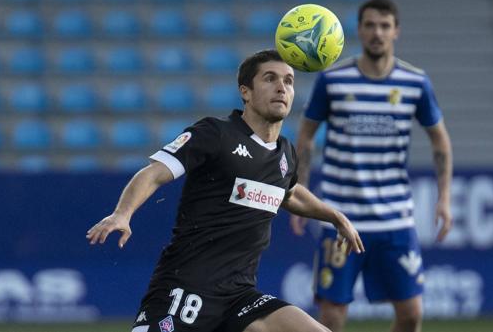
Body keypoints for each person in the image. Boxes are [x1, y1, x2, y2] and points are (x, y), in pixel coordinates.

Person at [86, 49, 365, 332]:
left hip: (240, 297)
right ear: (246, 92)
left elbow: (290, 194)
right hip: (184, 289)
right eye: (270, 78)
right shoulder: (215, 134)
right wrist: (123, 213)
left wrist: (335, 217)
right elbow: (154, 173)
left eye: (289, 81)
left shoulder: (286, 154)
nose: (282, 87)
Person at [290, 0, 453, 332]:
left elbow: (440, 141)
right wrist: (301, 191)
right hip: (340, 216)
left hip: (394, 218)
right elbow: (305, 136)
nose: (377, 33)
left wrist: (445, 198)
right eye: (370, 25)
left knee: (411, 316)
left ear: (396, 32)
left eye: (385, 26)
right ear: (359, 31)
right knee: (332, 318)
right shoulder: (333, 80)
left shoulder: (415, 82)